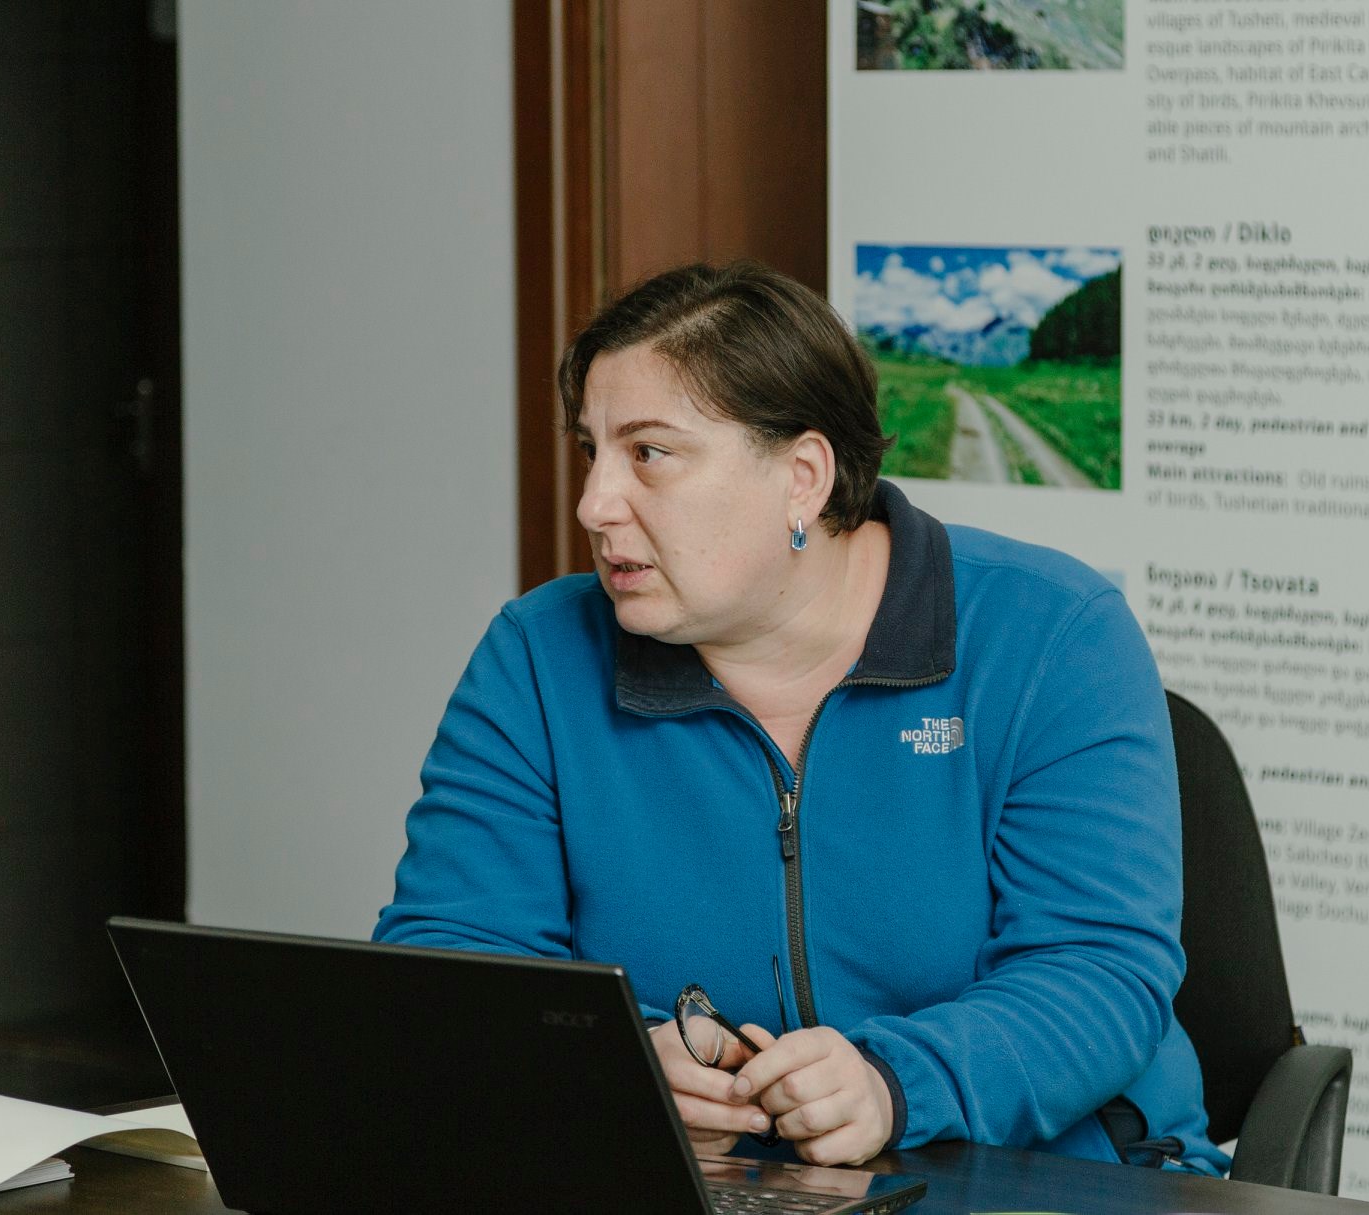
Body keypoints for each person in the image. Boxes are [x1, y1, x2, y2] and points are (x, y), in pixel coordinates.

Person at [373, 261, 1226, 1175]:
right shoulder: (537, 657)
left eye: (648, 454)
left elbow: (1097, 971)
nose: (593, 503)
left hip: (1039, 1177)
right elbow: (453, 966)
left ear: (803, 477)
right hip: (708, 1188)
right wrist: (615, 1070)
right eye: (593, 450)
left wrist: (894, 1083)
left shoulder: (1053, 632)